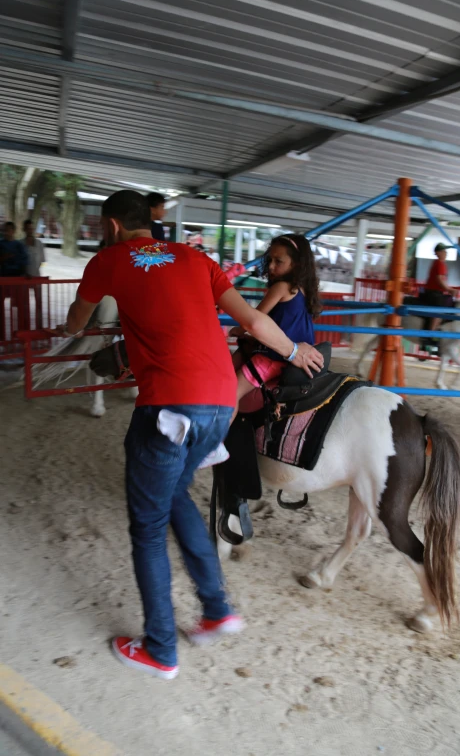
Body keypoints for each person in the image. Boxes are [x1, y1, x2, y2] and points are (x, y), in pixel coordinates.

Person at [59, 190, 323, 681]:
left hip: (167, 407)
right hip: (220, 401)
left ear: (113, 226)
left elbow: (79, 320)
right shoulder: (196, 257)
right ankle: (217, 608)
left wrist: (72, 321)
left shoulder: (110, 259)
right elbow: (251, 319)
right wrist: (294, 350)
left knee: (146, 527)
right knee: (174, 494)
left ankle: (160, 648)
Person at [231, 234, 320, 418]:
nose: (271, 266)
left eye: (278, 261)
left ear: (295, 264)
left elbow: (254, 318)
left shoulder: (281, 287)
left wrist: (237, 330)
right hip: (289, 356)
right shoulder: (303, 290)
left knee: (230, 393)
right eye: (270, 260)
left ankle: (215, 443)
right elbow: (282, 327)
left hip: (273, 358)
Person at [23, 219, 46, 328]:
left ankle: (39, 326)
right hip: (24, 279)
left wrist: (34, 271)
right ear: (24, 229)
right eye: (28, 228)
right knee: (25, 304)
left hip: (37, 277)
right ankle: (26, 326)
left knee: (39, 303)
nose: (30, 230)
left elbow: (42, 260)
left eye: (31, 228)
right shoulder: (21, 244)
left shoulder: (39, 244)